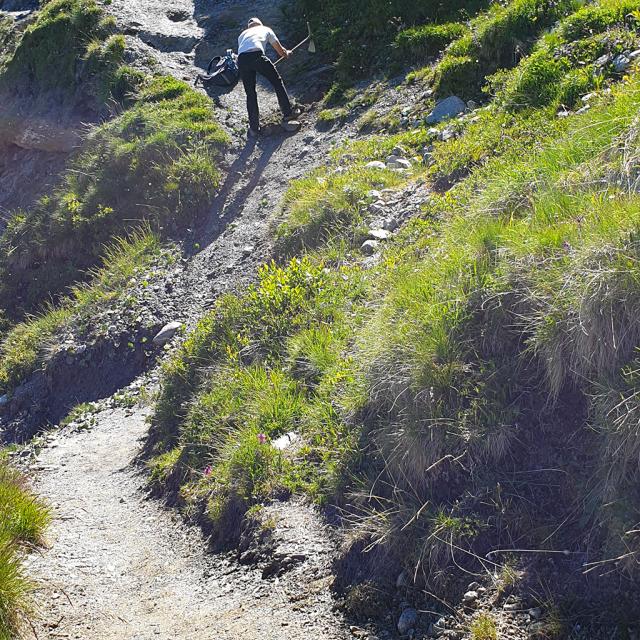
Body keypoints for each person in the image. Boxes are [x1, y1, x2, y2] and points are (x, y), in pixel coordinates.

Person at [237, 17, 300, 137]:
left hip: (242, 61)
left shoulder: (242, 35)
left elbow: (244, 52)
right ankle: (287, 113)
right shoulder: (265, 29)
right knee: (277, 82)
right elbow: (280, 51)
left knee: (250, 93)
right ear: (260, 24)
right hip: (257, 55)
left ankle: (254, 128)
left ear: (248, 27)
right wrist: (287, 53)